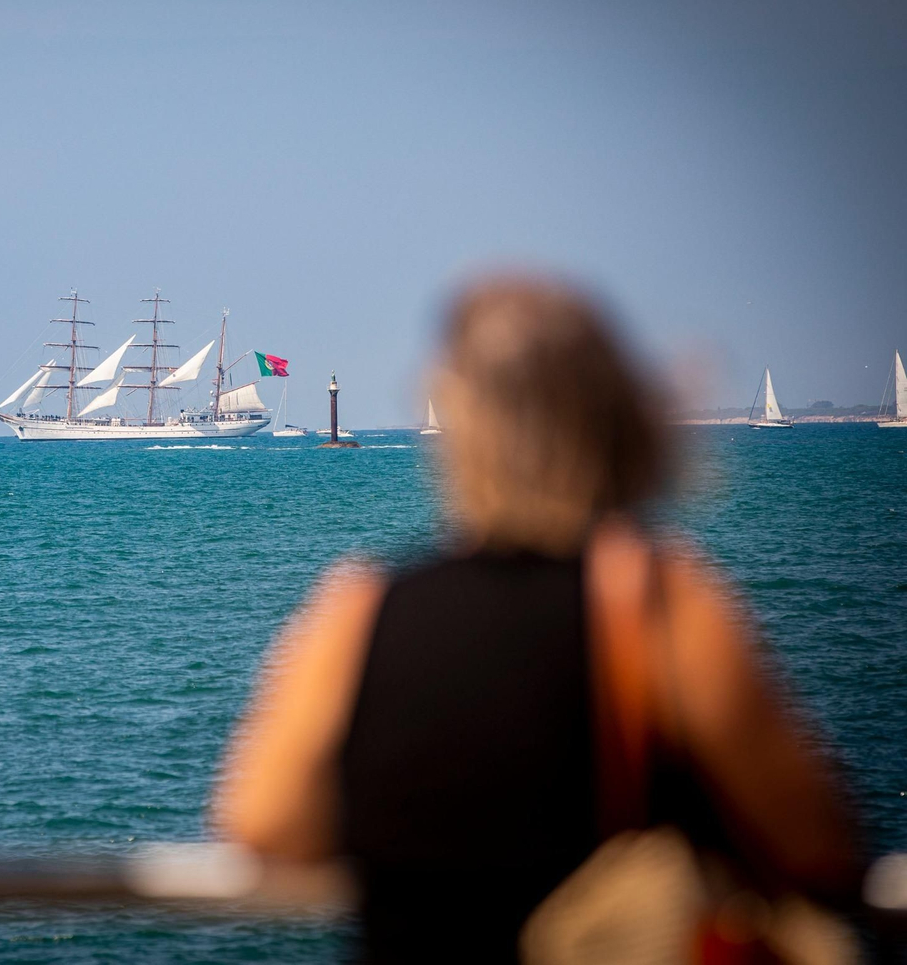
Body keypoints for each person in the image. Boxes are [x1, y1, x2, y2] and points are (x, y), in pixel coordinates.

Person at [216, 277, 862, 962]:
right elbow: (814, 840)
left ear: (456, 427)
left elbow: (263, 823)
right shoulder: (660, 604)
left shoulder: (357, 612)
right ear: (620, 422)